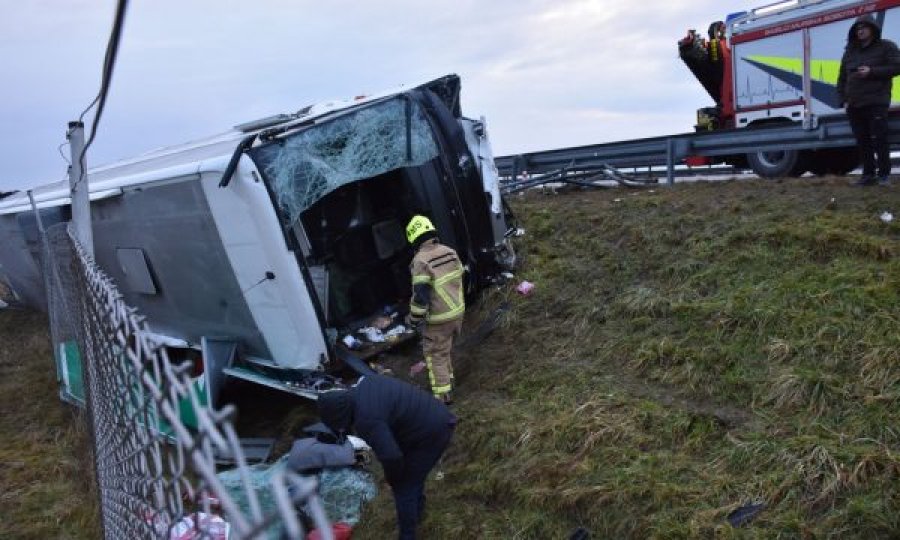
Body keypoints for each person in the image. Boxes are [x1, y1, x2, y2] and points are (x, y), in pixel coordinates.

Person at [317, 374, 457, 540]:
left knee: (403, 486)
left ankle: (407, 535)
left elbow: (391, 456)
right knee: (411, 476)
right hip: (430, 415)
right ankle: (417, 510)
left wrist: (392, 478)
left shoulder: (366, 420)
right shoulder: (365, 383)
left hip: (433, 432)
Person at [403, 215, 465, 404]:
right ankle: (449, 381)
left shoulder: (420, 261)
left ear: (413, 238)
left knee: (434, 354)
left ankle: (442, 396)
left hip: (439, 318)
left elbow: (421, 296)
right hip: (457, 312)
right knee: (444, 349)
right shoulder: (449, 251)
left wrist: (413, 319)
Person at [837, 14, 900, 186]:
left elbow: (897, 66)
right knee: (862, 141)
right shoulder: (850, 51)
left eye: (864, 27)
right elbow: (842, 77)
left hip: (876, 102)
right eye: (857, 29)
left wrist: (871, 71)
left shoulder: (886, 46)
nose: (860, 31)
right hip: (854, 104)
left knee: (880, 139)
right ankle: (868, 175)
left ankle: (884, 175)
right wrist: (843, 100)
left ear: (872, 28)